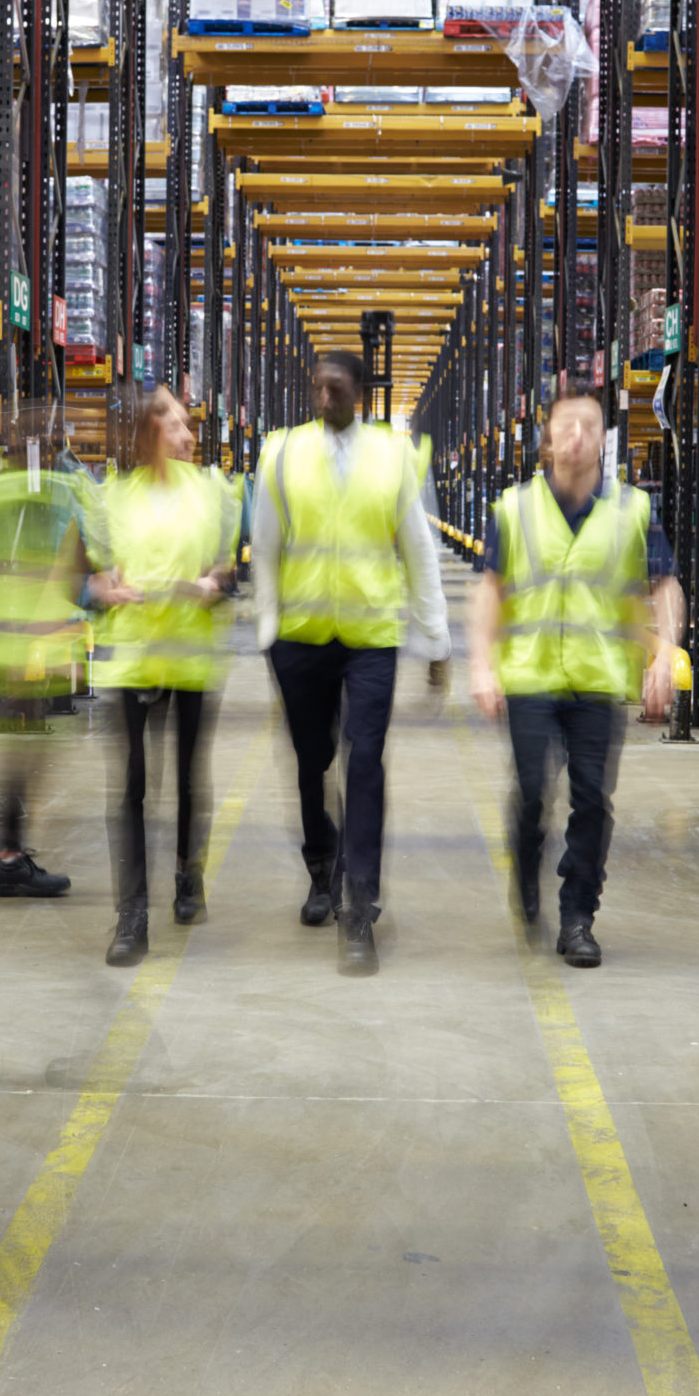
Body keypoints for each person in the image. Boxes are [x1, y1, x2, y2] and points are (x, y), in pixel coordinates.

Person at [252, 350, 450, 975]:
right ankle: (321, 869)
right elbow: (265, 544)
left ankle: (359, 902)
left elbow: (419, 549)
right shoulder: (281, 452)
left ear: (359, 393)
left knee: (365, 761)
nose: (324, 397)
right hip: (300, 638)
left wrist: (436, 640)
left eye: (335, 388)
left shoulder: (393, 456)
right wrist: (265, 627)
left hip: (370, 636)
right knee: (314, 761)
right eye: (318, 387)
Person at [466, 395, 681, 967]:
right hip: (530, 677)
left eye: (591, 426)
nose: (580, 436)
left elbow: (665, 585)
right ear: (549, 442)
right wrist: (481, 663)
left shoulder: (633, 510)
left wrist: (666, 653)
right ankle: (526, 868)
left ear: (604, 441)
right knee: (533, 794)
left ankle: (578, 916)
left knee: (592, 801)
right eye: (568, 427)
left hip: (598, 681)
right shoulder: (513, 508)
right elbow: (491, 589)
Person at [86, 387, 239, 964]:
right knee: (128, 790)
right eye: (174, 424)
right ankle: (131, 917)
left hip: (194, 656)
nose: (187, 434)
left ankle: (187, 873)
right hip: (132, 657)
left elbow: (228, 570)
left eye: (186, 423)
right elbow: (93, 580)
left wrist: (213, 585)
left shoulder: (214, 492)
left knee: (188, 780)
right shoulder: (111, 498)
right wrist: (104, 588)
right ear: (147, 433)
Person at [0, 431, 88, 899]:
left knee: (28, 755)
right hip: (18, 644)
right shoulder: (34, 496)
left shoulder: (6, 493)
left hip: (14, 640)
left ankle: (11, 855)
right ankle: (8, 861)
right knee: (23, 755)